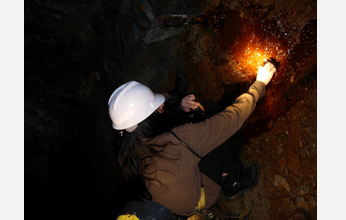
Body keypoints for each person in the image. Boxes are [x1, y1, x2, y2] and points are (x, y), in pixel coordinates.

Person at [108, 62, 276, 215]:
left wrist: (181, 110)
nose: (162, 106)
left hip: (171, 198)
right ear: (147, 122)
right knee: (220, 136)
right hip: (198, 199)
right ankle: (232, 183)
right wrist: (259, 84)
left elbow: (161, 131)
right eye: (157, 109)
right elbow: (231, 120)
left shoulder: (125, 146)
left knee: (204, 111)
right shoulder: (177, 142)